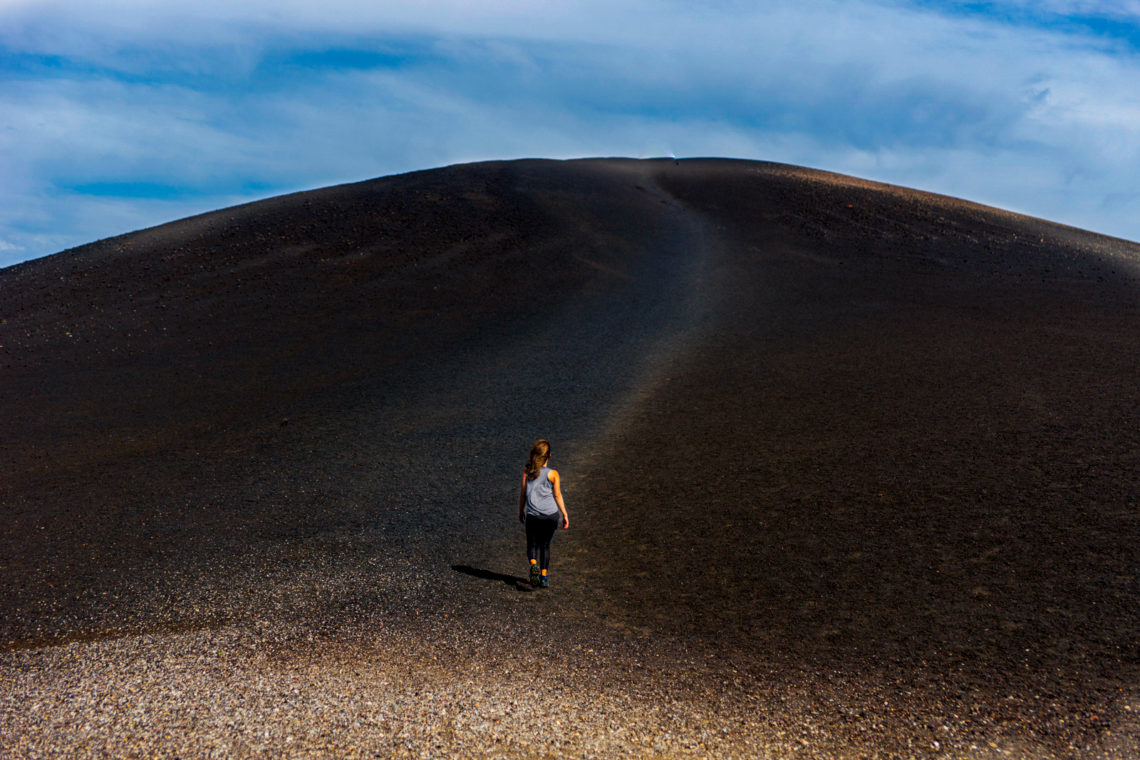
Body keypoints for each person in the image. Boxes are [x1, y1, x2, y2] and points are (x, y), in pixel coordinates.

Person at [518, 439, 569, 587]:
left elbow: (523, 494)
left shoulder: (527, 471)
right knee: (545, 545)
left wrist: (521, 511)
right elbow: (558, 496)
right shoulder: (553, 474)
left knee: (532, 544)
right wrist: (565, 514)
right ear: (549, 456)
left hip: (533, 516)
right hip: (550, 516)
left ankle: (534, 564)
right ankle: (544, 577)